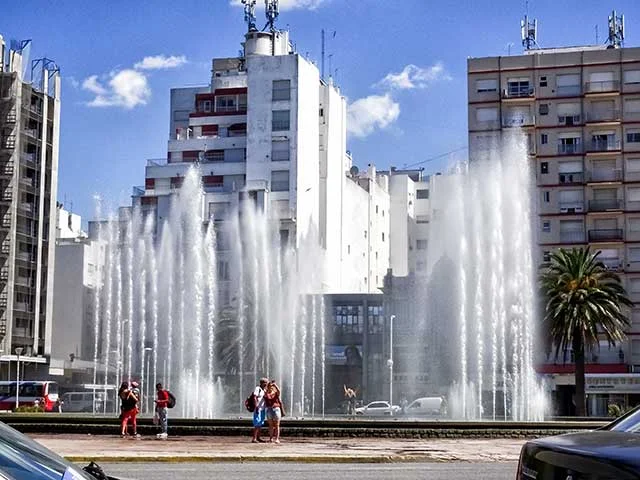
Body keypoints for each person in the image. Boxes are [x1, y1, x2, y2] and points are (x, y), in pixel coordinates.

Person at [264, 379, 285, 444]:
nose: (270, 386)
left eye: (271, 386)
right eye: (269, 385)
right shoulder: (266, 393)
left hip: (276, 408)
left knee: (277, 425)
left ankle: (277, 439)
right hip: (269, 409)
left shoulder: (276, 393)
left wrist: (275, 385)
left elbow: (279, 391)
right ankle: (271, 438)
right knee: (270, 425)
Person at [251, 377, 268, 443]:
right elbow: (255, 397)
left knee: (260, 423)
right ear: (261, 383)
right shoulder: (258, 389)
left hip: (263, 409)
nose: (266, 384)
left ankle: (258, 437)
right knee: (257, 423)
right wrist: (256, 406)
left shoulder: (264, 390)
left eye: (266, 382)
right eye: (265, 382)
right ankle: (254, 438)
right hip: (258, 408)